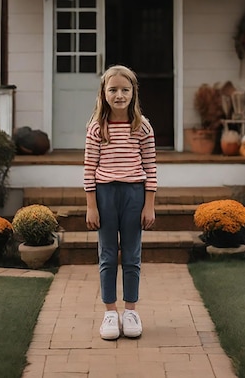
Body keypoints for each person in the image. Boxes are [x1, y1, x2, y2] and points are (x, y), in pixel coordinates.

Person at [83, 64, 157, 340]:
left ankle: (131, 311)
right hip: (104, 195)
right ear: (103, 93)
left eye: (125, 90)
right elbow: (89, 168)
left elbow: (150, 167)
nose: (119, 95)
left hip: (134, 194)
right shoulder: (96, 128)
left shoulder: (142, 127)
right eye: (113, 90)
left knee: (132, 254)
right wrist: (91, 205)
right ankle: (110, 313)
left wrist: (149, 204)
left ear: (133, 93)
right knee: (108, 255)